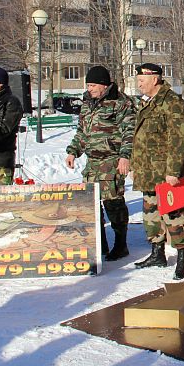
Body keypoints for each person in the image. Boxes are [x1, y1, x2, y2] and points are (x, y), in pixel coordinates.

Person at [66, 66, 135, 261]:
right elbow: (82, 131)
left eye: (93, 85)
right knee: (91, 204)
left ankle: (120, 245)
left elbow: (129, 132)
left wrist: (125, 156)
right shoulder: (87, 103)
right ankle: (100, 244)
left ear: (104, 85)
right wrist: (73, 151)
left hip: (111, 160)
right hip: (92, 163)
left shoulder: (120, 102)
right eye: (88, 85)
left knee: (113, 204)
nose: (90, 89)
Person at [130, 63, 184, 279]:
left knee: (174, 214)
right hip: (147, 170)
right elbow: (139, 138)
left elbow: (179, 138)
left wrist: (173, 170)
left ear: (154, 79)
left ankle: (183, 258)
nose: (139, 84)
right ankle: (157, 254)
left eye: (142, 80)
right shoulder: (146, 102)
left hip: (165, 171)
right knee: (151, 214)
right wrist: (135, 166)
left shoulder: (172, 102)